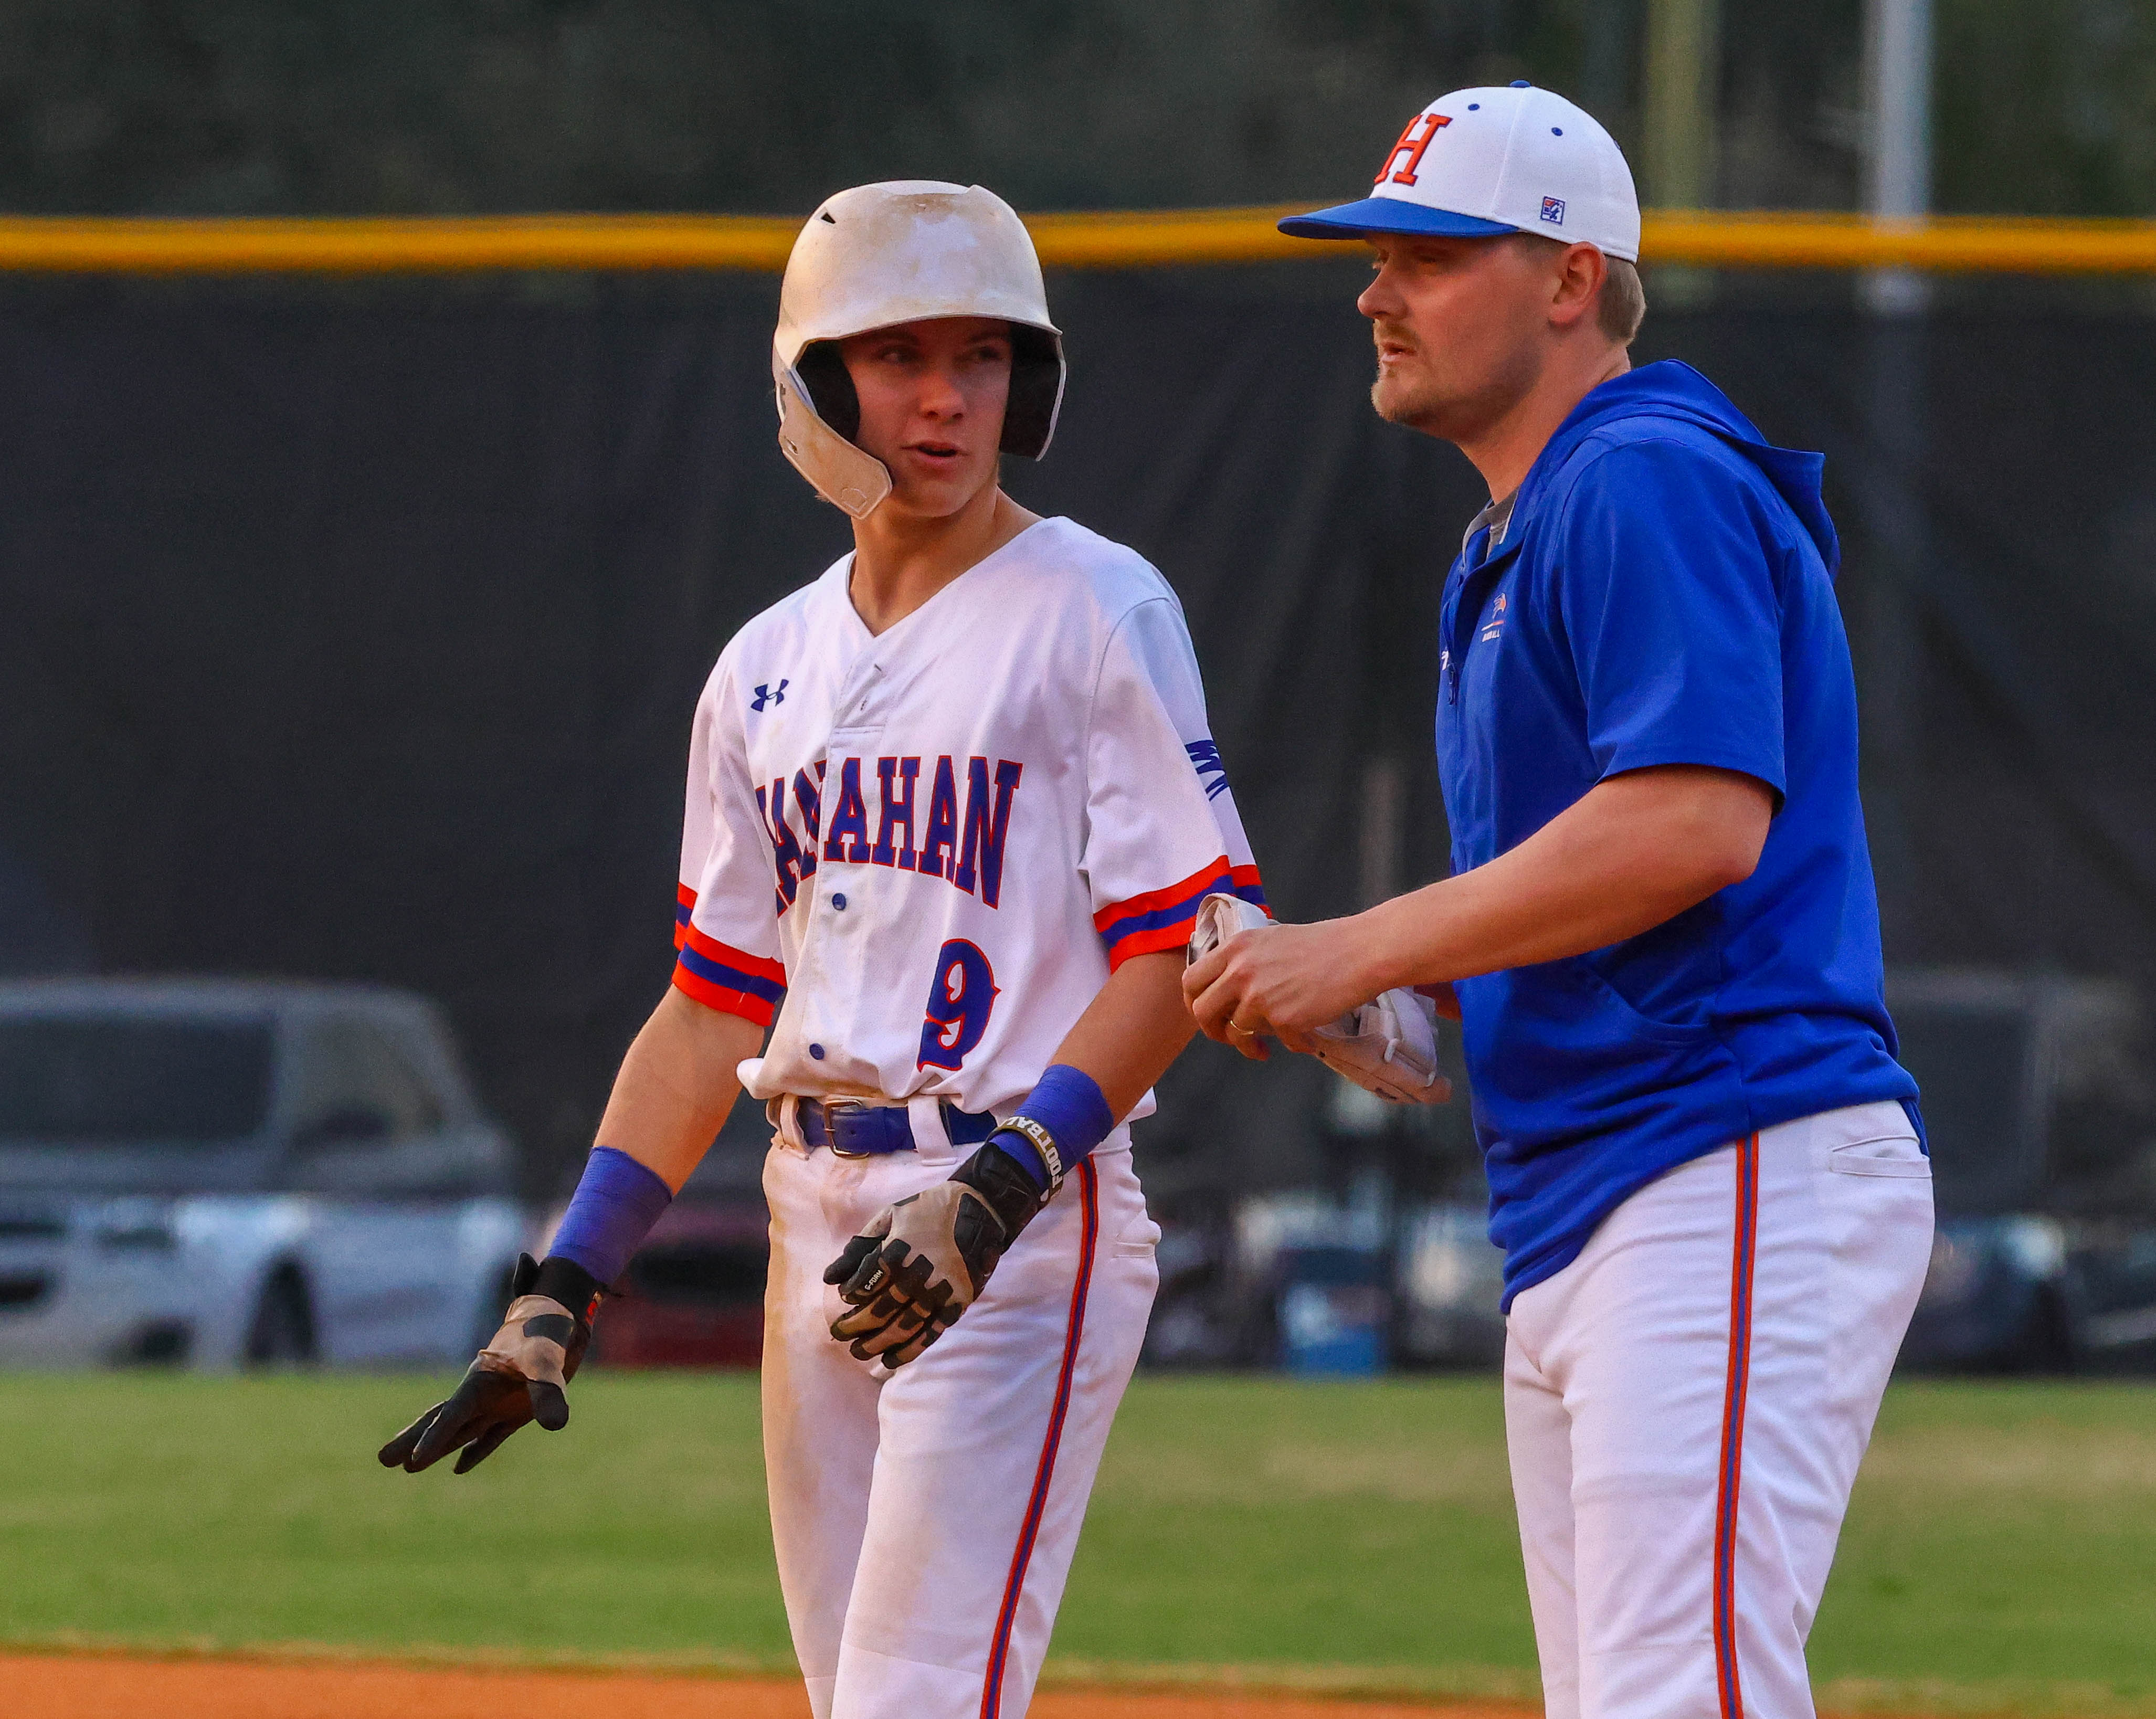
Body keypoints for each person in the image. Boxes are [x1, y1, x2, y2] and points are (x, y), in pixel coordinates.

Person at [381, 180, 1265, 1719]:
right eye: (900, 353)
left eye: (984, 355)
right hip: (813, 1212)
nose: (946, 396)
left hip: (1015, 1215)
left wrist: (1000, 1185)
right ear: (811, 383)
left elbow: (1173, 952)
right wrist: (566, 1281)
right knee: (847, 1692)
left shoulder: (1095, 609)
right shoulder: (764, 668)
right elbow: (708, 1006)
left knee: (912, 1699)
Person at [1184, 84, 1932, 1719]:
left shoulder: (1637, 474)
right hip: (1596, 1188)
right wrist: (1396, 999)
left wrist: (1356, 942)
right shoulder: (1512, 539)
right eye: (1374, 259)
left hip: (1727, 1149)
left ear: (1568, 277)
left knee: (1684, 1694)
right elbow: (1585, 891)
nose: (1375, 292)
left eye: (1429, 256)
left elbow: (1691, 823)